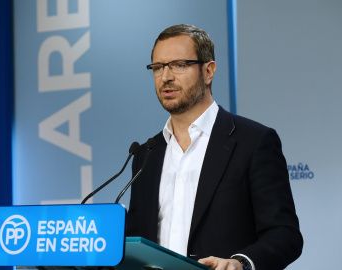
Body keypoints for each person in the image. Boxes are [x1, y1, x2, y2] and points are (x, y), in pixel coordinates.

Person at [126, 24, 303, 270]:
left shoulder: (254, 142)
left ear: (208, 71)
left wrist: (241, 263)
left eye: (179, 65)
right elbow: (136, 237)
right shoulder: (146, 154)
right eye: (158, 67)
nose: (166, 76)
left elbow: (285, 234)